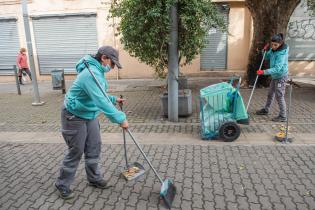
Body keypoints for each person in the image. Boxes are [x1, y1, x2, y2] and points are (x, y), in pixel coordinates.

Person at [55, 46, 128, 199]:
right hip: (73, 115)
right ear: (103, 58)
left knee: (94, 146)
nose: (112, 67)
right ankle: (62, 184)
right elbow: (100, 100)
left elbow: (99, 94)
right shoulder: (90, 74)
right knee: (76, 150)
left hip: (89, 113)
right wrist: (120, 118)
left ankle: (94, 178)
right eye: (112, 63)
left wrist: (114, 99)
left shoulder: (98, 71)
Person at [256, 33, 289, 122]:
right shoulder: (273, 50)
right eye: (272, 44)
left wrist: (264, 72)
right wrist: (264, 51)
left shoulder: (281, 54)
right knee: (270, 93)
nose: (273, 46)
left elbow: (278, 69)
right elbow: (267, 57)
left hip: (281, 76)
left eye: (275, 45)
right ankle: (266, 110)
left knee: (279, 95)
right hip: (275, 76)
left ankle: (283, 116)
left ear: (280, 44)